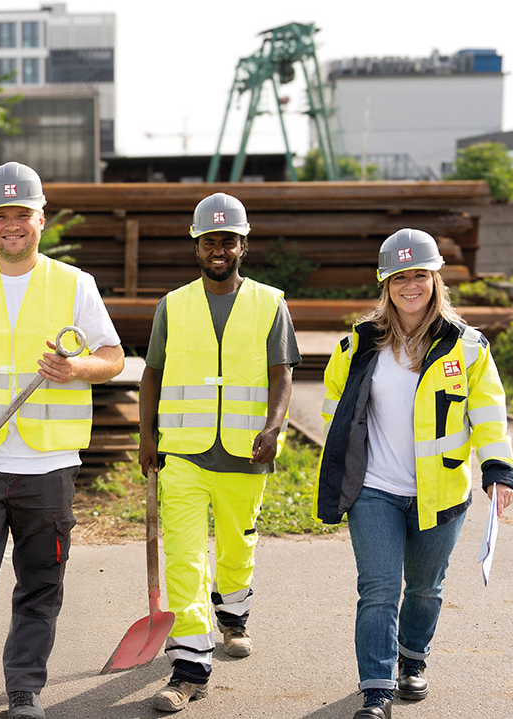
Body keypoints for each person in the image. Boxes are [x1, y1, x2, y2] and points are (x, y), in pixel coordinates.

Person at [0, 161, 125, 719]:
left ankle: (24, 692)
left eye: (22, 215)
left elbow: (113, 358)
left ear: (41, 219)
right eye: (0, 215)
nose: (11, 224)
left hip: (49, 466)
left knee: (40, 586)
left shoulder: (74, 284)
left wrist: (76, 367)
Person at [316, 228, 513, 719]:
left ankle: (412, 657)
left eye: (420, 276)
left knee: (426, 587)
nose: (411, 286)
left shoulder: (467, 347)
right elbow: (334, 413)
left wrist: (498, 466)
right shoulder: (358, 345)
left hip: (442, 491)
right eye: (400, 277)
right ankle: (377, 691)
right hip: (374, 492)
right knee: (379, 588)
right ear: (385, 283)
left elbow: (488, 410)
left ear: (435, 280)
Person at [137, 192, 299, 713]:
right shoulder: (173, 305)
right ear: (197, 244)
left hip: (245, 453)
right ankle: (189, 667)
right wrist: (147, 438)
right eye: (210, 240)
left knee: (235, 548)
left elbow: (282, 373)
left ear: (243, 245)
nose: (218, 249)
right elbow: (152, 375)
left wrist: (275, 427)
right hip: (183, 455)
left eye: (228, 240)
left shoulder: (270, 303)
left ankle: (232, 616)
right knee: (183, 560)